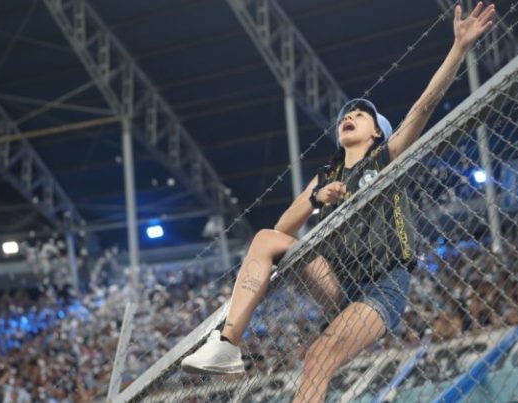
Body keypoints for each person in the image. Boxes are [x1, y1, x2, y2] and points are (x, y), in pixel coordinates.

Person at [180, 3, 496, 402]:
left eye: (363, 114)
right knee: (264, 238)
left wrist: (459, 48)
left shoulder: (387, 157)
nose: (353, 114)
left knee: (319, 356)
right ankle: (227, 342)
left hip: (381, 285)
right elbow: (283, 228)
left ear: (377, 134)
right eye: (350, 112)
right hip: (338, 280)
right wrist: (316, 197)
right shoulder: (326, 176)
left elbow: (425, 104)